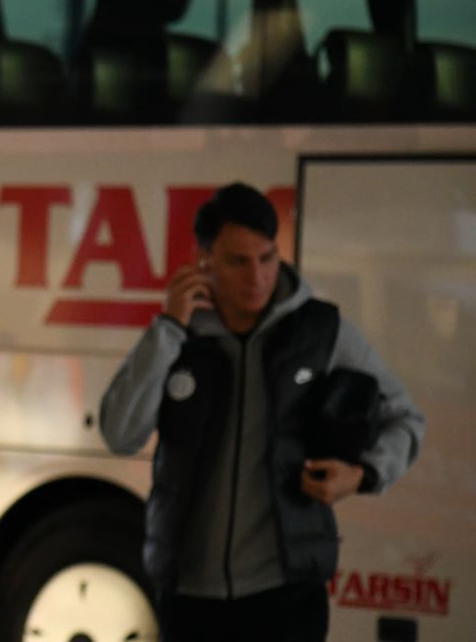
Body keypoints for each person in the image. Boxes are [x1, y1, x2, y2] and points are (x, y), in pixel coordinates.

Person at [99, 182, 423, 642]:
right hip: (189, 598)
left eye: (267, 258)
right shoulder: (177, 337)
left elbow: (406, 419)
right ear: (204, 260)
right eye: (238, 261)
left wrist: (362, 474)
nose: (257, 277)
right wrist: (169, 328)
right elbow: (119, 434)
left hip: (287, 595)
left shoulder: (320, 331)